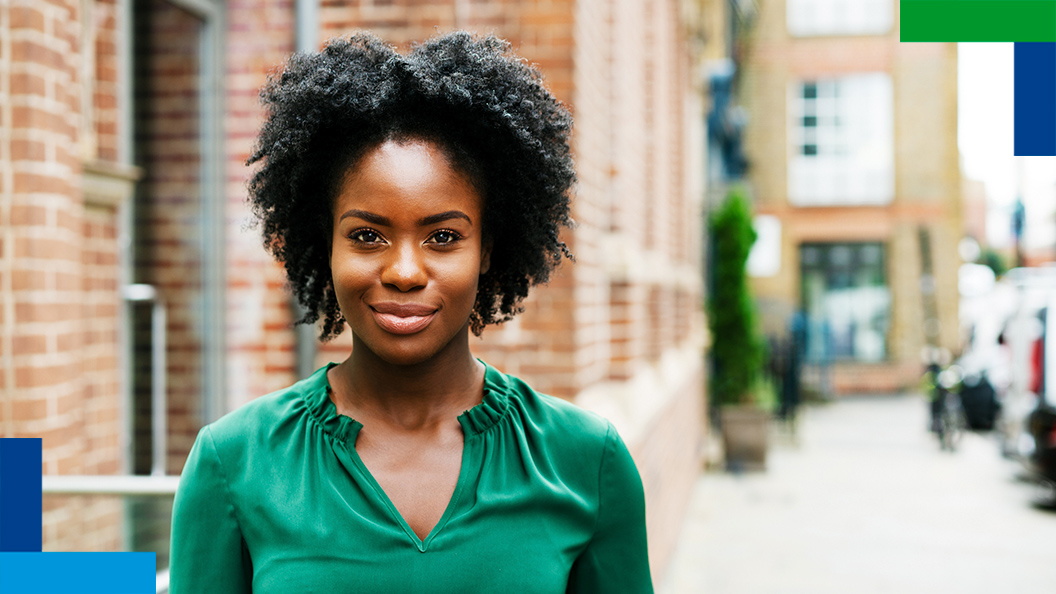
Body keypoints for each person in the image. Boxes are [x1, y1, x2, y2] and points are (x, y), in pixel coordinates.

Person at [169, 32, 652, 593]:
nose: (403, 271)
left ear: (487, 249)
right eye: (368, 235)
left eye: (443, 236)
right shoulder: (234, 464)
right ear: (325, 242)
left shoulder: (584, 462)